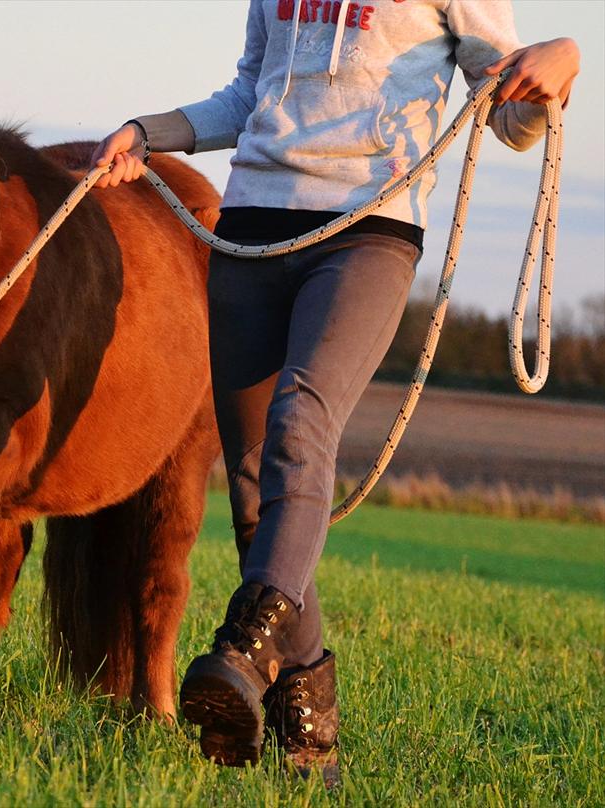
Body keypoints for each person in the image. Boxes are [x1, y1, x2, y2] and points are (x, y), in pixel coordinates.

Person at [89, 0, 579, 787]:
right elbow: (248, 95)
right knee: (252, 489)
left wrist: (562, 58)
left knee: (300, 424)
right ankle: (309, 744)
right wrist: (147, 131)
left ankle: (245, 650)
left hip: (368, 226)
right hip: (249, 224)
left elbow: (510, 115)